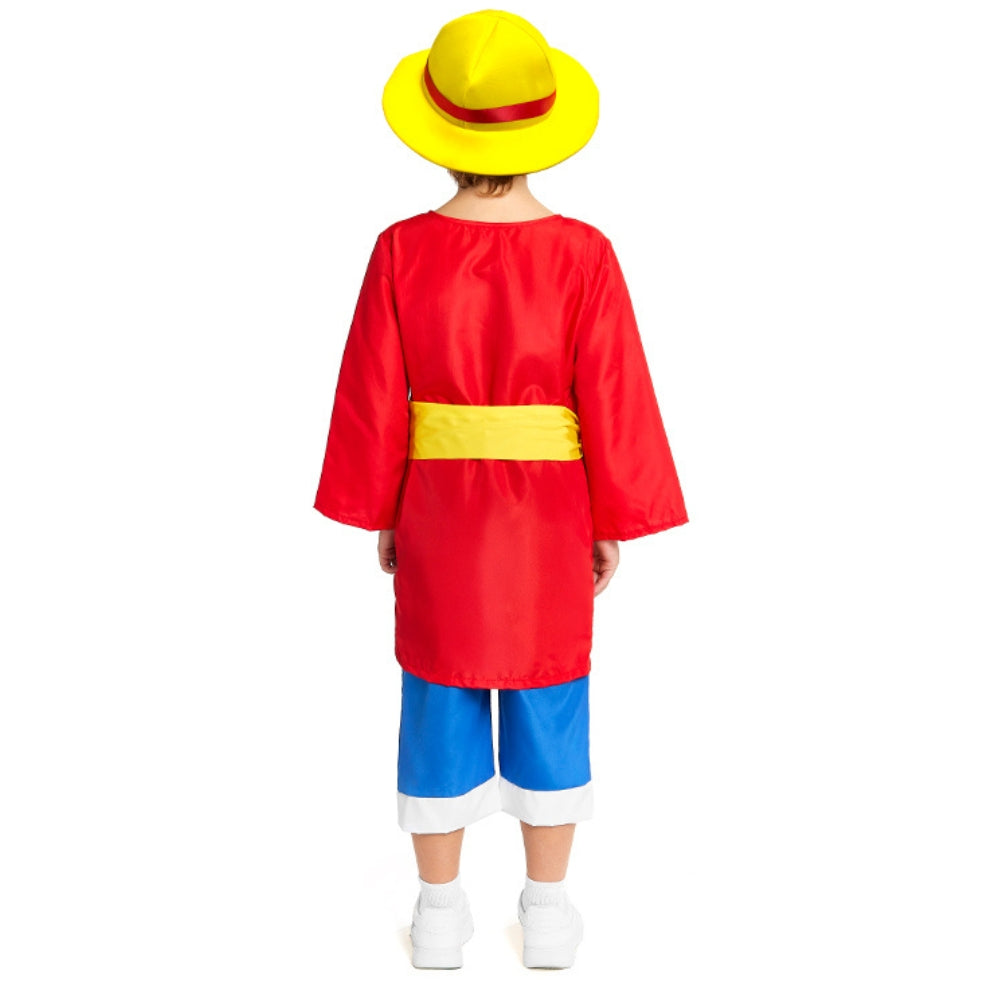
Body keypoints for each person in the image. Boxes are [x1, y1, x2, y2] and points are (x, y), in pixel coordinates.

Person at [312, 9, 689, 970]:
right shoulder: (584, 253)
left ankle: (439, 914)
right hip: (549, 511)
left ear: (439, 132)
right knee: (548, 689)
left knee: (436, 691)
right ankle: (548, 913)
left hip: (440, 508)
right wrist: (611, 518)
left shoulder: (400, 249)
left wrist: (387, 507)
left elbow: (372, 392)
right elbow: (613, 392)